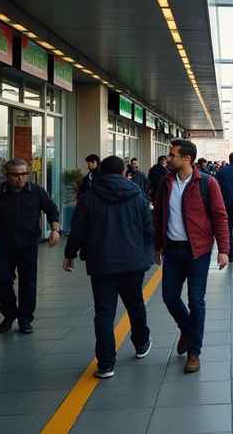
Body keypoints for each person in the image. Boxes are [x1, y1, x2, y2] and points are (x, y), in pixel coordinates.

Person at [63, 156, 153, 378]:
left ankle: (106, 364)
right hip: (132, 262)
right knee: (135, 304)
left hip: (101, 263)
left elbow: (78, 229)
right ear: (123, 172)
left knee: (104, 312)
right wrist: (148, 252)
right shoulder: (137, 195)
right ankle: (141, 343)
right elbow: (148, 228)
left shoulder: (89, 197)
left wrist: (70, 254)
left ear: (101, 172)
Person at [153, 139, 229, 373]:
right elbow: (159, 216)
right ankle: (187, 329)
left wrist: (224, 250)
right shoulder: (166, 183)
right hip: (173, 250)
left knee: (196, 300)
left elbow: (219, 216)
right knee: (169, 297)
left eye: (172, 155)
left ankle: (194, 352)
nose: (168, 159)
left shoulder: (207, 183)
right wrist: (157, 246)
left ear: (187, 158)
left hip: (198, 251)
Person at [0, 158, 60, 334]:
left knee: (28, 283)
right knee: (2, 281)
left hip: (28, 245)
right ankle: (9, 314)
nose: (20, 178)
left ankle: (25, 319)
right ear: (7, 175)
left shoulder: (37, 192)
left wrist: (55, 230)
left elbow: (52, 210)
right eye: (15, 175)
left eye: (24, 174)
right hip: (2, 245)